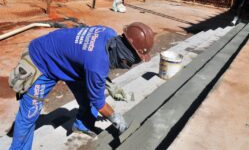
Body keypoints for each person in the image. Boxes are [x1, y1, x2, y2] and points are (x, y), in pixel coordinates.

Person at [8, 22, 155, 150]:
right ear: (124, 58)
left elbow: (90, 57)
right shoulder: (96, 66)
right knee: (29, 115)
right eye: (129, 63)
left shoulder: (109, 33)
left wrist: (107, 83)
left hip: (69, 62)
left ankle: (81, 125)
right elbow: (99, 102)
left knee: (87, 96)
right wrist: (116, 118)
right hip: (41, 60)